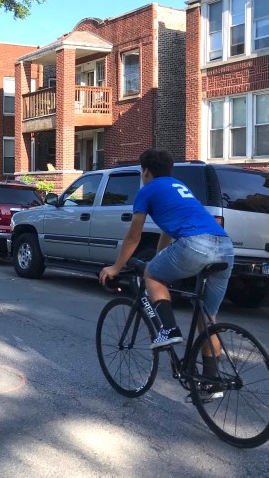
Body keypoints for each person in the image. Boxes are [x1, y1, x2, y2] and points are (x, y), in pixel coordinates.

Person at [98, 149, 234, 394]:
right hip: (225, 247)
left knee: (152, 275)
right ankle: (211, 382)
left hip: (195, 245)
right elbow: (168, 231)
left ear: (146, 171)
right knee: (208, 320)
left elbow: (133, 236)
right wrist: (161, 257)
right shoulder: (178, 186)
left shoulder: (146, 190)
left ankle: (169, 330)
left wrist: (116, 266)